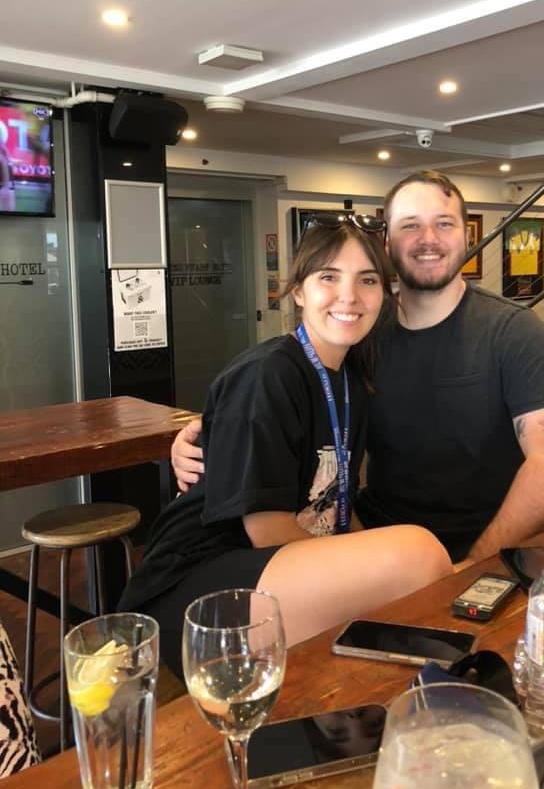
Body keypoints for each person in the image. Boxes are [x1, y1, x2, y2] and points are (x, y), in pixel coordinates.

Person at [172, 171, 544, 568]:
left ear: (466, 236)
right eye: (410, 225)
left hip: (481, 545)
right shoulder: (361, 332)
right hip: (371, 540)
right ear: (387, 243)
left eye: (444, 223)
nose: (428, 239)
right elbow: (282, 395)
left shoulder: (512, 331)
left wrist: (476, 563)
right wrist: (202, 437)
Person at [118, 216, 451, 675]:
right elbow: (267, 530)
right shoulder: (267, 375)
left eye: (367, 280)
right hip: (196, 589)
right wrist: (365, 574)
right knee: (418, 553)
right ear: (298, 291)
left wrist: (367, 564)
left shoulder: (352, 381)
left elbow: (335, 505)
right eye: (328, 277)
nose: (349, 296)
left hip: (282, 569)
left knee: (410, 581)